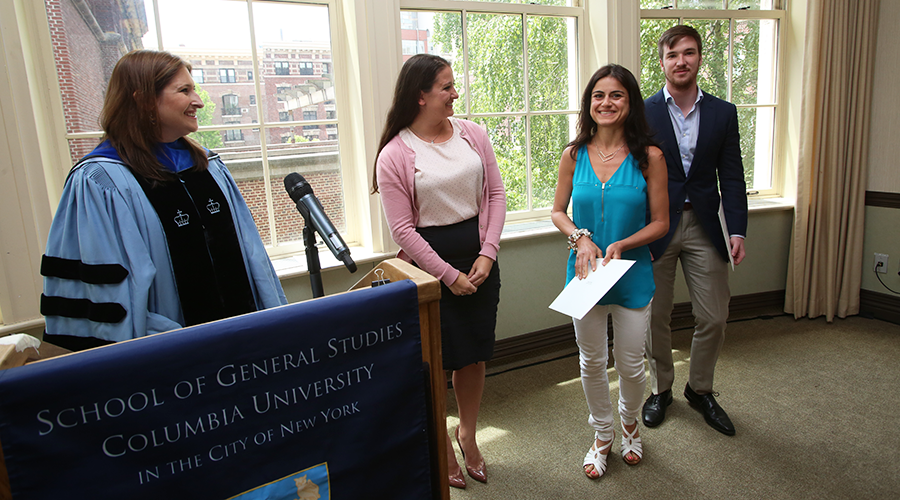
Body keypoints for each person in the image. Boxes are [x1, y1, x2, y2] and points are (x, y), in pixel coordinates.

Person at [41, 50, 287, 351]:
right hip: (171, 359)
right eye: (185, 91)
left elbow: (253, 259)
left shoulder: (209, 168)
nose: (198, 101)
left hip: (245, 343)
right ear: (144, 100)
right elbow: (108, 300)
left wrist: (272, 326)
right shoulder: (100, 182)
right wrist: (178, 344)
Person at [373, 54, 506, 489]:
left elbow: (496, 195)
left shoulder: (473, 134)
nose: (455, 94)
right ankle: (442, 445)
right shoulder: (395, 154)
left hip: (480, 256)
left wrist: (487, 253)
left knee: (472, 353)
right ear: (420, 95)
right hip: (429, 267)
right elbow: (403, 230)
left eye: (453, 85)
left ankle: (467, 433)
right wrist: (448, 275)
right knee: (435, 361)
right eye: (446, 87)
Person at [551, 64, 668, 480]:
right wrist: (580, 237)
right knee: (591, 360)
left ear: (630, 102)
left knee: (632, 364)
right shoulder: (573, 154)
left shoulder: (650, 157)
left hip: (632, 273)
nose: (606, 103)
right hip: (585, 273)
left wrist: (625, 243)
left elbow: (661, 222)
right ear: (589, 103)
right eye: (598, 96)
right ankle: (602, 434)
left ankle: (630, 422)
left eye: (616, 95)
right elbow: (557, 212)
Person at [641, 25, 748, 436]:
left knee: (715, 316)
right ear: (663, 61)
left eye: (688, 53)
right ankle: (660, 389)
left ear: (700, 57)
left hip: (706, 223)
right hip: (656, 226)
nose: (680, 61)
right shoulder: (643, 111)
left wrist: (737, 228)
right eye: (672, 55)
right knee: (655, 316)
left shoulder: (724, 112)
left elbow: (732, 176)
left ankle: (700, 389)